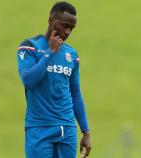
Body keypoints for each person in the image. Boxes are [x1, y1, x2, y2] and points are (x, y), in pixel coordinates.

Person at [16, 1, 91, 158]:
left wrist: (86, 131)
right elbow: (29, 80)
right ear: (51, 21)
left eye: (71, 28)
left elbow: (75, 93)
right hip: (39, 128)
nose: (67, 31)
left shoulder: (72, 55)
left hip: (67, 129)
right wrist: (50, 52)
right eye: (64, 25)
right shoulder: (30, 47)